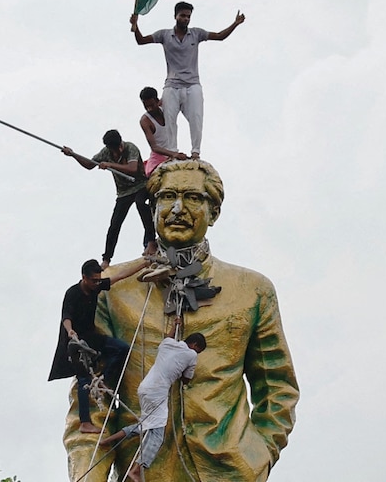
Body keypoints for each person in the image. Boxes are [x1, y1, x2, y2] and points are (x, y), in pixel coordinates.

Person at [63, 160, 299, 482]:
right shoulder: (111, 290)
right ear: (153, 206)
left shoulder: (253, 291)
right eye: (167, 196)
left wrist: (259, 454)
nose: (177, 208)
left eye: (193, 197)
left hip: (230, 471)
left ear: (213, 212)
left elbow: (277, 387)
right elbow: (91, 396)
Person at [130, 2, 245, 160]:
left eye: (188, 16)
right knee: (169, 118)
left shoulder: (196, 34)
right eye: (182, 15)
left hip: (192, 84)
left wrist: (235, 24)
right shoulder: (164, 35)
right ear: (175, 16)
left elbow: (219, 36)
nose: (185, 19)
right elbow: (141, 40)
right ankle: (173, 152)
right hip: (172, 85)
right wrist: (135, 26)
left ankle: (195, 152)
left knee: (196, 118)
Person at [99, 316, 206, 482]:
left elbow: (167, 337)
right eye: (198, 350)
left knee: (144, 425)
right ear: (195, 346)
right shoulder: (191, 354)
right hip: (157, 392)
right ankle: (137, 469)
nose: (196, 353)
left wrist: (174, 325)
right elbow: (186, 379)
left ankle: (108, 440)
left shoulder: (167, 344)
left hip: (145, 388)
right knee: (157, 436)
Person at [48, 258, 148, 434]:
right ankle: (85, 423)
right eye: (93, 280)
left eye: (98, 280)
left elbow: (120, 276)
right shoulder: (73, 293)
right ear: (84, 277)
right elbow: (66, 317)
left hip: (92, 337)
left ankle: (104, 383)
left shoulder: (96, 286)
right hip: (76, 344)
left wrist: (144, 264)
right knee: (84, 379)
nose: (96, 283)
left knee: (122, 349)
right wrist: (70, 332)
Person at [62, 129, 157, 269]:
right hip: (124, 192)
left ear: (121, 144)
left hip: (140, 185)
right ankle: (106, 259)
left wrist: (110, 164)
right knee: (115, 223)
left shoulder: (131, 148)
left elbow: (132, 168)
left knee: (140, 203)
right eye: (113, 151)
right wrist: (73, 155)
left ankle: (150, 241)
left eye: (118, 149)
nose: (116, 153)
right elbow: (89, 165)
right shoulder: (106, 152)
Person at [138, 86, 188, 177]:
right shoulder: (145, 121)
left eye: (152, 105)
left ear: (157, 101)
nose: (149, 109)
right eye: (146, 107)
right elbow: (154, 147)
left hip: (173, 152)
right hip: (159, 157)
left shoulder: (165, 105)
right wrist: (174, 155)